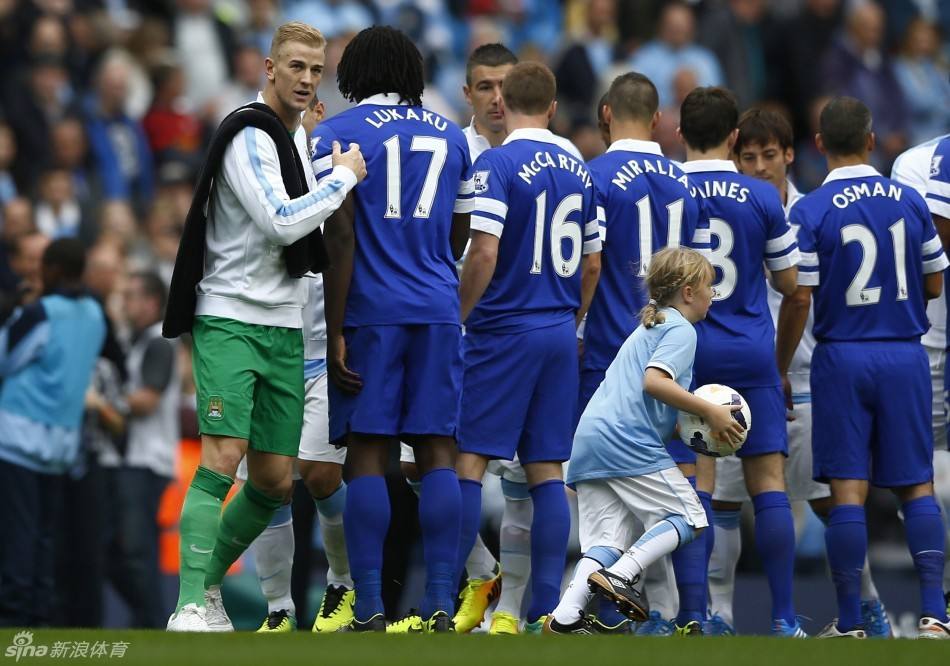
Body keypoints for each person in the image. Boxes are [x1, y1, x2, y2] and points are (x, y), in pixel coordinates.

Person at [165, 21, 365, 632]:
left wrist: (320, 159)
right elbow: (282, 221)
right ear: (268, 68)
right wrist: (345, 175)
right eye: (296, 67)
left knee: (275, 483)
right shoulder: (250, 134)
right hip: (231, 317)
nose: (307, 78)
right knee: (223, 456)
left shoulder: (292, 138)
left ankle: (210, 590)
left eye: (315, 68)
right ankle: (189, 604)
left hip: (283, 325)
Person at [314, 26, 473, 633]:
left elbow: (341, 235)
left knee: (369, 453)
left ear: (355, 74)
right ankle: (439, 602)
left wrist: (335, 328)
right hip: (436, 306)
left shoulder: (336, 134)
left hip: (371, 312)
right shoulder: (452, 135)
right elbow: (459, 234)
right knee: (437, 450)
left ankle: (373, 606)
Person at [709, 107, 889, 636]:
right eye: (749, 156)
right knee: (723, 499)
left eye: (770, 155)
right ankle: (721, 615)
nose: (760, 165)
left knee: (833, 502)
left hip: (808, 380)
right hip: (741, 380)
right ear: (735, 156)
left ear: (791, 154)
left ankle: (869, 606)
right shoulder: (730, 211)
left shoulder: (815, 213)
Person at [777, 96, 950, 640]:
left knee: (847, 490)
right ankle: (935, 616)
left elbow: (799, 297)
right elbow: (935, 283)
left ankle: (851, 621)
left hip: (842, 355)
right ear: (872, 141)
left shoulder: (811, 210)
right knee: (916, 486)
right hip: (905, 353)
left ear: (820, 144)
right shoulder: (910, 200)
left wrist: (779, 364)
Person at [454, 60, 602, 635]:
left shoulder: (497, 162)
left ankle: (447, 594)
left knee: (468, 462)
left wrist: (458, 316)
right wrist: (573, 317)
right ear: (553, 106)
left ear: (504, 102)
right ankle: (545, 609)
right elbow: (592, 263)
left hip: (501, 330)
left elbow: (483, 254)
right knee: (546, 472)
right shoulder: (579, 167)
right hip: (559, 332)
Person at [397, 42, 534, 636]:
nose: (497, 97)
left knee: (523, 475)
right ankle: (482, 577)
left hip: (517, 338)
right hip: (453, 331)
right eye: (485, 87)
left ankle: (516, 606)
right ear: (468, 94)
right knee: (425, 465)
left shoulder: (535, 157)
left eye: (505, 85)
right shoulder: (451, 152)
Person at [548, 247, 740, 634]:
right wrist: (710, 410)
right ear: (688, 292)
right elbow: (654, 383)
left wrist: (689, 427)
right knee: (690, 517)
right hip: (625, 439)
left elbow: (648, 399)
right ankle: (622, 575)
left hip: (592, 438)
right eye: (709, 288)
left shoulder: (652, 325)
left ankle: (564, 617)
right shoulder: (682, 329)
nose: (711, 296)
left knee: (605, 540)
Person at [678, 87, 803, 637]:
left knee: (696, 485)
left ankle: (696, 615)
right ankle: (783, 618)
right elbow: (792, 288)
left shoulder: (667, 189)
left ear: (680, 134)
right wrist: (778, 363)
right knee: (768, 482)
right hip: (752, 349)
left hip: (688, 350)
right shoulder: (762, 197)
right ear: (734, 137)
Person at [242, 95, 357, 635]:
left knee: (320, 474)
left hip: (318, 342)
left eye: (315, 104)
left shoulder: (335, 158)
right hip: (272, 337)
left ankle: (342, 582)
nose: (308, 115)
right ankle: (278, 609)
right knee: (271, 483)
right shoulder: (259, 155)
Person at [0, 238, 106, 627]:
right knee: (45, 537)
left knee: (18, 535)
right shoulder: (95, 315)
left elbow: (4, 358)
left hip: (16, 439)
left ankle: (12, 619)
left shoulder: (42, 312)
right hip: (61, 445)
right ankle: (37, 615)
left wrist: (16, 314)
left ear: (55, 270)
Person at [98, 271, 179, 628]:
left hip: (147, 461)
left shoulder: (159, 341)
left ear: (151, 301)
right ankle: (148, 620)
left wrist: (106, 405)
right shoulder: (137, 340)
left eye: (131, 295)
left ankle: (152, 623)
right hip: (130, 460)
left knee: (135, 550)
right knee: (120, 550)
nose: (125, 303)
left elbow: (147, 399)